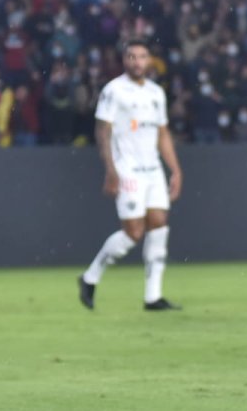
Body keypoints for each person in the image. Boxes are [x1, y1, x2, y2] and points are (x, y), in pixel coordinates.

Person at [78, 39, 184, 311]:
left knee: (159, 223)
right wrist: (110, 170)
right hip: (128, 170)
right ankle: (90, 277)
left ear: (149, 60)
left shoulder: (156, 93)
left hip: (153, 170)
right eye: (132, 57)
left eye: (142, 57)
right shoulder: (114, 91)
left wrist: (175, 169)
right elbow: (103, 131)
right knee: (134, 233)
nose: (137, 62)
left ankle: (153, 296)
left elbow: (162, 134)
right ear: (124, 60)